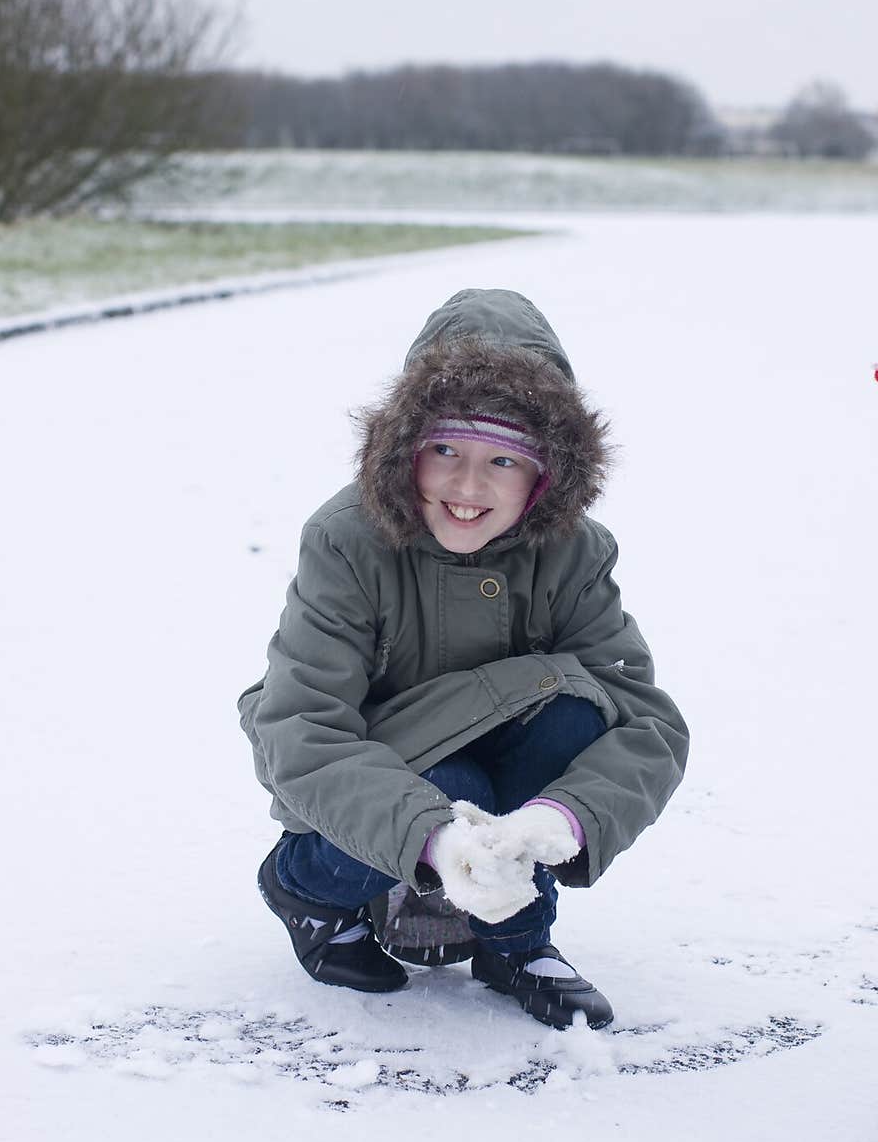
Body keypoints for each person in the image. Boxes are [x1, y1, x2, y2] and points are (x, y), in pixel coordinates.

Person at [237, 289, 689, 1031]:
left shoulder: (575, 551)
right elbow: (303, 725)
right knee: (450, 781)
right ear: (403, 448)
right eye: (444, 448)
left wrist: (557, 821)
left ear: (548, 475)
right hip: (378, 767)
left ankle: (515, 942)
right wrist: (437, 836)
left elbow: (648, 722)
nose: (467, 486)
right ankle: (307, 888)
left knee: (581, 712)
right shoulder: (347, 538)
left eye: (504, 459)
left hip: (499, 761)